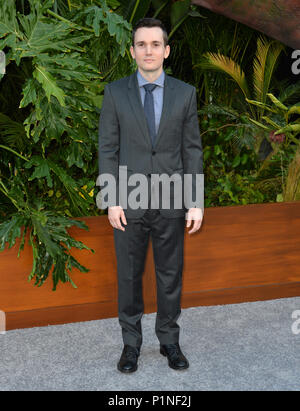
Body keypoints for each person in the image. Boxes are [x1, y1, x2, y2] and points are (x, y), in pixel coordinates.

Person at [98, 17, 203, 373]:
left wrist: (195, 201)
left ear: (166, 51)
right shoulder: (115, 93)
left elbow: (193, 150)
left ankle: (169, 342)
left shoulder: (186, 93)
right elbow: (108, 150)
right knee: (128, 276)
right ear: (132, 51)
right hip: (128, 202)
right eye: (141, 44)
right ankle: (131, 345)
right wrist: (111, 199)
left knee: (170, 274)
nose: (148, 50)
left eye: (155, 44)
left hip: (172, 200)